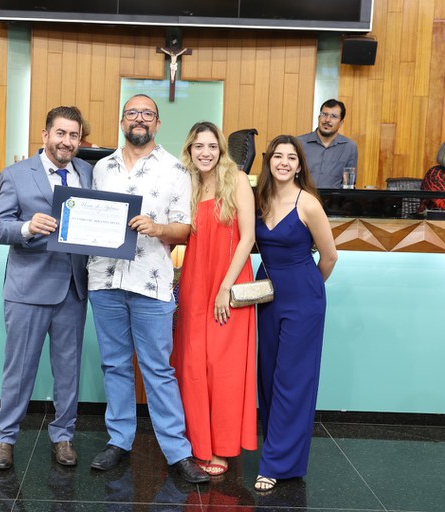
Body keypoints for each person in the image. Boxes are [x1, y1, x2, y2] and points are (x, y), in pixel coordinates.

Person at [86, 94, 209, 484]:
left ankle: (177, 451)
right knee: (115, 365)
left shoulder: (176, 169)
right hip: (104, 278)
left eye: (147, 114)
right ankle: (119, 441)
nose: (139, 119)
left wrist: (157, 228)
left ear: (157, 123)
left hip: (151, 281)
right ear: (122, 121)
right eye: (132, 113)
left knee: (158, 368)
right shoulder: (101, 168)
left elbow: (186, 229)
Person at [0, 106, 92, 470]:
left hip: (73, 289)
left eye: (74, 135)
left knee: (68, 370)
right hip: (28, 289)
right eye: (60, 133)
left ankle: (63, 436)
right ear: (46, 135)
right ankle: (5, 439)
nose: (67, 141)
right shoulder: (16, 174)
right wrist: (28, 227)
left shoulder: (87, 173)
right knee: (19, 370)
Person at [253, 134, 338, 492]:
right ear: (269, 161)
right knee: (269, 376)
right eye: (278, 156)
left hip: (302, 298)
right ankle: (283, 454)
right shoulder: (259, 199)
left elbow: (330, 256)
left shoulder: (309, 204)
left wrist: (308, 291)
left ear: (300, 166)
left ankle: (274, 463)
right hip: (266, 296)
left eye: (291, 157)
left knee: (292, 380)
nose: (284, 162)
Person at [172, 121, 258, 476]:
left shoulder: (237, 180)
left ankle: (221, 447)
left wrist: (225, 287)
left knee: (223, 368)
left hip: (229, 282)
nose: (205, 152)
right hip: (195, 281)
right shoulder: (186, 184)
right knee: (192, 365)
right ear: (189, 151)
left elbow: (248, 237)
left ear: (221, 149)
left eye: (211, 146)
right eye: (198, 146)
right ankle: (197, 444)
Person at [297, 99, 358, 189]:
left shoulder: (349, 147)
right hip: (302, 196)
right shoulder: (299, 143)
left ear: (341, 123)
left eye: (334, 116)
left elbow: (349, 184)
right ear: (319, 118)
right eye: (324, 114)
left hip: (334, 197)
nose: (327, 120)